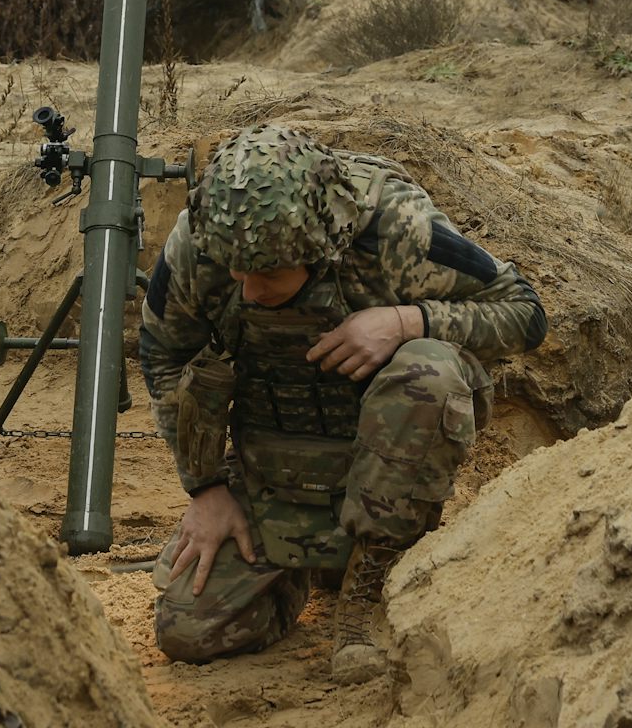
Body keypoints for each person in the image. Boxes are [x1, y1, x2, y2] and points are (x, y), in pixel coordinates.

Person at [139, 123, 546, 682]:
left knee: (428, 369)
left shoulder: (397, 230)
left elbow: (525, 311)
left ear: (323, 242)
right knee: (188, 634)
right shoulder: (202, 241)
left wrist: (407, 319)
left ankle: (371, 575)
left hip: (385, 463)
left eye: (270, 273)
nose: (249, 288)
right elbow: (162, 355)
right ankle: (308, 565)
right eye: (237, 270)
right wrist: (205, 488)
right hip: (271, 468)